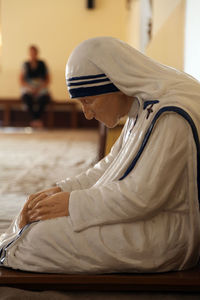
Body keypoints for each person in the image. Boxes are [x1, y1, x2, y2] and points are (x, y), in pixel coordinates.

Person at [0, 37, 199, 274]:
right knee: (36, 220)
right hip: (147, 217)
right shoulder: (143, 106)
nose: (87, 114)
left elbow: (142, 197)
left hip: (170, 234)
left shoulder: (171, 115)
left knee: (40, 236)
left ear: (117, 82)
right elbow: (110, 165)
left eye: (88, 100)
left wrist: (72, 204)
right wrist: (61, 190)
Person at [19, 45, 51, 128]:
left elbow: (47, 79)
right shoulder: (25, 64)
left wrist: (39, 88)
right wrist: (30, 88)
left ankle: (36, 120)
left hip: (41, 88)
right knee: (26, 98)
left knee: (44, 98)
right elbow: (21, 80)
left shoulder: (42, 64)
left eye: (34, 52)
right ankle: (36, 120)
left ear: (37, 53)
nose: (33, 54)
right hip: (29, 88)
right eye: (31, 52)